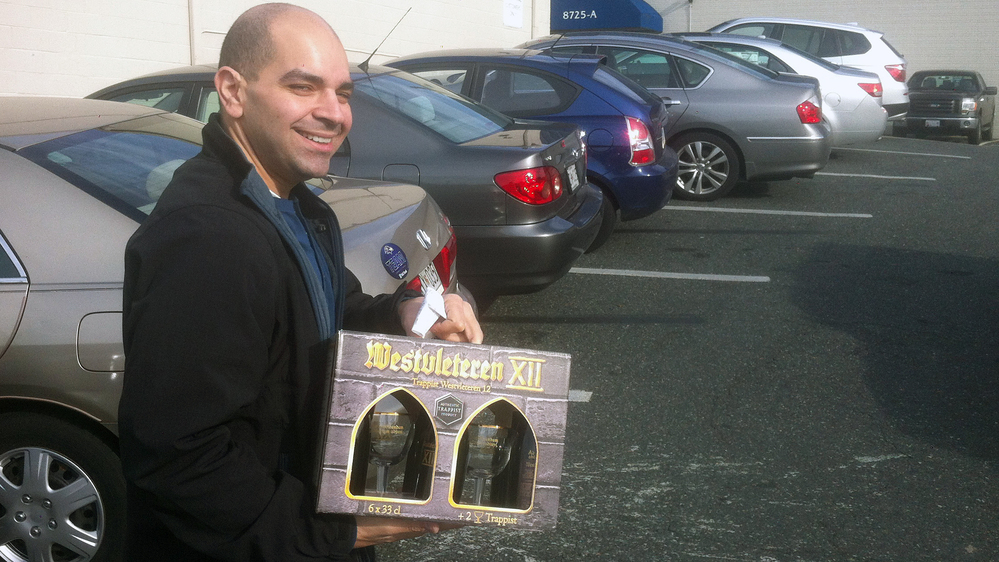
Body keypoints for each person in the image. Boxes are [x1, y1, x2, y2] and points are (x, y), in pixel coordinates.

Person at [118, 4, 481, 561]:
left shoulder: (296, 206)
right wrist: (336, 530)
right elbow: (178, 455)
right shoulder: (208, 237)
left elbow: (327, 316)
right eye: (303, 87)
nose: (333, 113)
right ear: (233, 93)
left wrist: (409, 313)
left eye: (344, 93)